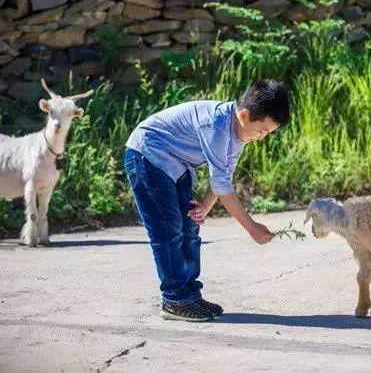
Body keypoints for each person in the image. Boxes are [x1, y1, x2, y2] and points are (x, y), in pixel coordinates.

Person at [123, 79, 291, 322]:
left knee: (190, 226)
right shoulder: (217, 126)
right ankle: (174, 299)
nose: (262, 137)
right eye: (262, 131)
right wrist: (250, 226)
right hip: (146, 156)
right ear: (244, 115)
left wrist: (204, 207)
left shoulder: (237, 135)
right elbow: (222, 185)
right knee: (168, 230)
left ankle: (189, 294)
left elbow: (223, 176)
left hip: (175, 165)